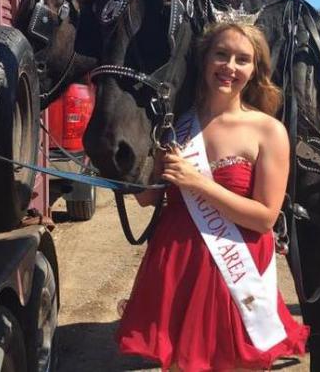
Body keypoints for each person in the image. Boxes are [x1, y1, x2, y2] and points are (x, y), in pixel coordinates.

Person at [116, 22, 309, 371]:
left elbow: (265, 217)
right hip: (177, 262)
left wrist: (198, 183)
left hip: (234, 270)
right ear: (205, 59)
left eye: (242, 59)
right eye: (221, 54)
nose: (230, 67)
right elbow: (147, 199)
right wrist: (138, 165)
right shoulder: (175, 124)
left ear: (255, 70)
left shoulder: (269, 131)